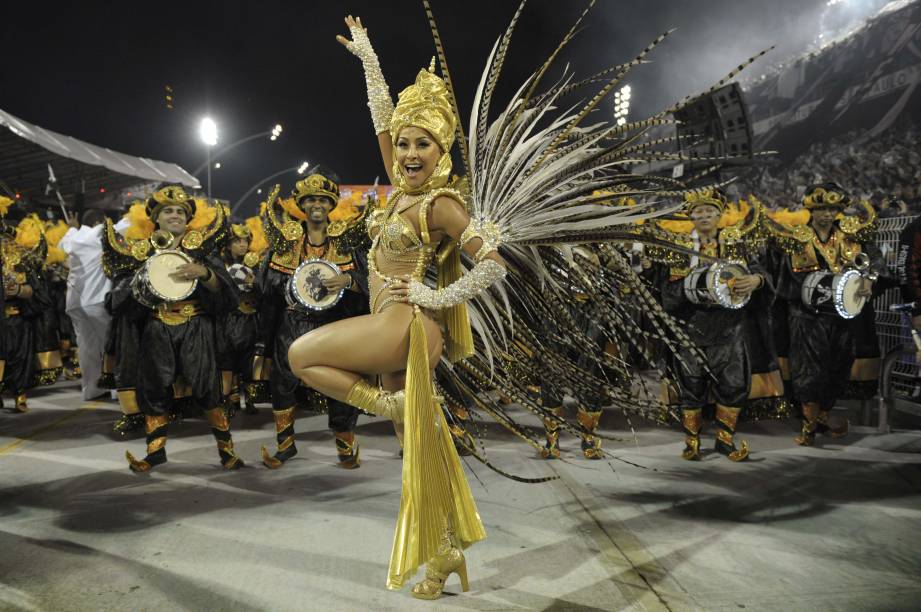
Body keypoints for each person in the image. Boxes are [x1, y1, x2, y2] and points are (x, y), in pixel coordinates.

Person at [118, 186, 245, 471]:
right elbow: (119, 300)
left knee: (208, 389)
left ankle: (227, 452)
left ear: (188, 220)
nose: (175, 215)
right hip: (157, 325)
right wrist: (141, 283)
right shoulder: (142, 252)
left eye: (180, 212)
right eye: (168, 211)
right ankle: (155, 452)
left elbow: (228, 295)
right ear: (156, 218)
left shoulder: (202, 250)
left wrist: (206, 274)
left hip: (195, 324)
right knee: (154, 389)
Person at [258, 170, 369, 469]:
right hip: (293, 322)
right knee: (283, 381)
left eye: (323, 199)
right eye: (311, 200)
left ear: (331, 205)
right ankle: (285, 445)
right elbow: (265, 283)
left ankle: (346, 447)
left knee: (341, 382)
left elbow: (369, 278)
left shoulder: (345, 243)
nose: (317, 204)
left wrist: (348, 280)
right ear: (302, 206)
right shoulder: (286, 242)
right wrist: (290, 286)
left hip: (335, 323)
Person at [651, 190, 770, 461]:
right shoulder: (680, 247)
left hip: (731, 326)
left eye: (709, 211)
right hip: (692, 326)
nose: (704, 216)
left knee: (733, 382)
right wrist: (690, 289)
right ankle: (691, 441)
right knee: (691, 384)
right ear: (690, 216)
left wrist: (756, 281)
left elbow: (760, 271)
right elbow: (665, 290)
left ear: (720, 214)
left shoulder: (736, 242)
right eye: (698, 212)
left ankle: (725, 440)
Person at [767, 183, 884, 446]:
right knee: (809, 368)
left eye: (832, 209)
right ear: (811, 209)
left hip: (842, 316)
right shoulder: (796, 237)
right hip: (806, 316)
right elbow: (782, 278)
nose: (827, 214)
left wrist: (870, 280)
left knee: (837, 365)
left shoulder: (850, 236)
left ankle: (823, 416)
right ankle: (809, 423)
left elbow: (874, 261)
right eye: (822, 208)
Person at [60, 208, 111, 400]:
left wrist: (72, 228)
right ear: (101, 221)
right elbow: (125, 225)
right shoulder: (97, 233)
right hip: (96, 300)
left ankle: (92, 389)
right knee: (110, 345)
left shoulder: (72, 237)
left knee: (87, 347)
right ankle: (117, 391)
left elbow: (64, 244)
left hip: (74, 302)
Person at [217, 222, 264, 417]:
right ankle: (228, 401)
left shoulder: (254, 263)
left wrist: (256, 282)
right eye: (237, 241)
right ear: (228, 244)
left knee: (248, 362)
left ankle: (250, 399)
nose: (242, 245)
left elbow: (261, 291)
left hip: (250, 319)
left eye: (245, 241)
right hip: (228, 319)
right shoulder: (219, 264)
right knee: (227, 362)